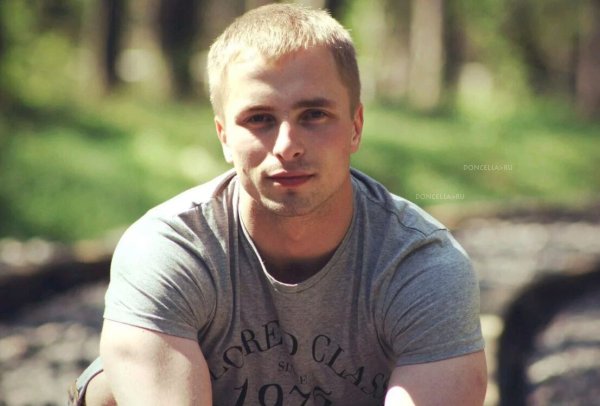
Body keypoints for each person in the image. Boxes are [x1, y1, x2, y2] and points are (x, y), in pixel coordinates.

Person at [69, 3, 487, 405]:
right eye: (259, 119)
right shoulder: (170, 250)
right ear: (224, 137)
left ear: (355, 127)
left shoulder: (421, 266)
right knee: (107, 391)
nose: (287, 146)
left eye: (314, 115)